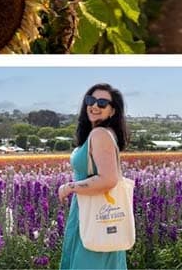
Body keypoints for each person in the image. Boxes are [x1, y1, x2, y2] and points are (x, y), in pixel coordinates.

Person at [58, 83, 129, 270]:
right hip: (93, 214)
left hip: (95, 216)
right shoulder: (100, 133)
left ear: (112, 111)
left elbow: (108, 179)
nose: (95, 106)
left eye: (102, 102)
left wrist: (70, 187)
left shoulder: (100, 134)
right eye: (90, 100)